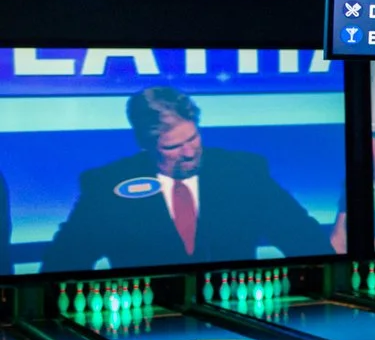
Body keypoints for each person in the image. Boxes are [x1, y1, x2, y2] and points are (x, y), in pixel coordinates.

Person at [44, 85, 342, 271]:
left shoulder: (245, 172)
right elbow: (64, 262)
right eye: (173, 146)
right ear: (146, 145)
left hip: (239, 314)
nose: (189, 152)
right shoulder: (106, 186)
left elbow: (306, 241)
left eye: (193, 138)